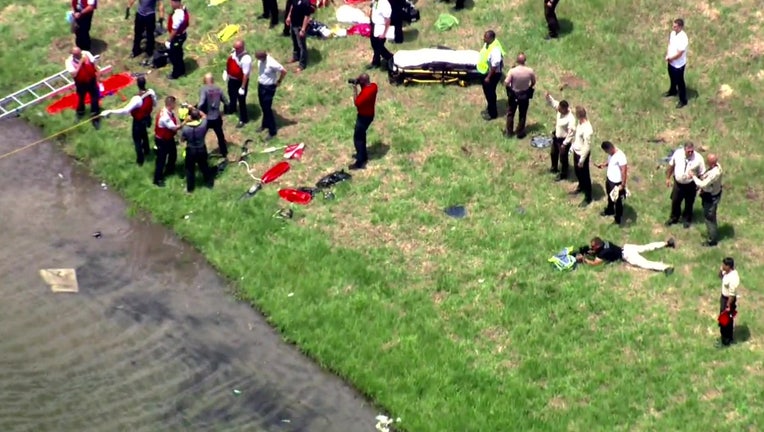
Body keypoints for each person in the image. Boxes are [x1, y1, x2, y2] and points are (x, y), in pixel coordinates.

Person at [101, 76, 157, 166]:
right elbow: (154, 103)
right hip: (146, 118)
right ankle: (146, 151)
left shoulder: (137, 99)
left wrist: (110, 111)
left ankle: (140, 161)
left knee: (137, 140)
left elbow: (125, 110)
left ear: (137, 85)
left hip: (138, 121)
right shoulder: (151, 92)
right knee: (144, 134)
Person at [575, 236, 675, 275]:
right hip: (627, 247)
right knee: (646, 247)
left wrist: (584, 259)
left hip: (627, 255)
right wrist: (591, 251)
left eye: (593, 246)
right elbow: (597, 251)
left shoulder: (603, 253)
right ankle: (667, 243)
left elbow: (595, 263)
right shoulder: (605, 242)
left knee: (645, 264)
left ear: (598, 245)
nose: (592, 248)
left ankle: (666, 267)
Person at [665, 142, 705, 228]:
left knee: (689, 202)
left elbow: (702, 173)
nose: (690, 153)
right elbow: (671, 165)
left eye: (692, 151)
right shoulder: (678, 154)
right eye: (688, 151)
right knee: (675, 201)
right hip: (678, 183)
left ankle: (687, 219)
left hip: (690, 184)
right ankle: (674, 218)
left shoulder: (698, 159)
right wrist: (668, 178)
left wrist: (701, 185)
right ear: (684, 149)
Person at [65, 47, 101, 129]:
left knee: (95, 98)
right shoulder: (69, 62)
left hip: (91, 80)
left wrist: (98, 76)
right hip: (81, 83)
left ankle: (95, 118)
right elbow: (74, 74)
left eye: (80, 54)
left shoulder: (86, 53)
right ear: (74, 55)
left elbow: (94, 64)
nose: (80, 56)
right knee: (81, 98)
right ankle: (80, 112)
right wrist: (80, 63)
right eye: (78, 55)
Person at [180, 108, 215, 193]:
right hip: (201, 149)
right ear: (198, 117)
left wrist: (185, 121)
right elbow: (204, 116)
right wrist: (195, 109)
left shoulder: (186, 128)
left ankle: (190, 189)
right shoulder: (203, 125)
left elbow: (182, 140)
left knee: (189, 170)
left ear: (190, 117)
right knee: (204, 166)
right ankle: (209, 183)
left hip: (191, 150)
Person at [691, 153, 723, 246]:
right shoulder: (716, 167)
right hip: (711, 194)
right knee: (710, 217)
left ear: (711, 163)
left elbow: (703, 184)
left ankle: (712, 240)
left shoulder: (715, 173)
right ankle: (713, 235)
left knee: (709, 218)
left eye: (708, 161)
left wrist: (693, 176)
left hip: (711, 197)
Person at [255, 51, 287, 140]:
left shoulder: (272, 63)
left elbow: (284, 71)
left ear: (263, 57)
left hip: (269, 87)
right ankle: (264, 124)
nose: (258, 61)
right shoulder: (260, 61)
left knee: (267, 109)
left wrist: (279, 81)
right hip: (261, 85)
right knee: (263, 106)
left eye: (259, 59)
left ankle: (272, 131)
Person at [595, 141, 628, 225]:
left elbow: (624, 171)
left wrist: (622, 185)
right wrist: (603, 165)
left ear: (610, 148)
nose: (606, 153)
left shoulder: (621, 156)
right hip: (609, 180)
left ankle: (618, 217)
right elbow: (610, 161)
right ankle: (610, 210)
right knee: (610, 196)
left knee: (617, 201)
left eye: (606, 151)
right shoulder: (611, 154)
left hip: (616, 183)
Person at [153, 96, 183, 187]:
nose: (175, 105)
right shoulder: (165, 116)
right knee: (161, 159)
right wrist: (185, 122)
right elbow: (174, 127)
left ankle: (169, 169)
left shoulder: (168, 111)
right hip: (162, 140)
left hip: (168, 139)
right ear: (171, 104)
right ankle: (157, 179)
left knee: (173, 154)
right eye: (174, 103)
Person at [350, 74, 378, 170]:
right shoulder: (374, 86)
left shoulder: (365, 94)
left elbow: (357, 103)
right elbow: (365, 88)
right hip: (370, 115)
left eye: (359, 80)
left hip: (363, 117)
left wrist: (355, 89)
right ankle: (364, 155)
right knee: (362, 135)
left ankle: (360, 161)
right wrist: (360, 83)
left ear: (362, 82)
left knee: (358, 138)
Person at [504, 53, 536, 138]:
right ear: (525, 61)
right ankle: (520, 132)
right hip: (524, 95)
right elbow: (533, 82)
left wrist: (510, 87)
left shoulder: (512, 71)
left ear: (517, 61)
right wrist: (529, 87)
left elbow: (506, 82)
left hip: (514, 94)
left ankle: (509, 132)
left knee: (511, 113)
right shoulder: (530, 71)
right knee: (522, 113)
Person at [544, 91, 575, 180]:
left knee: (563, 158)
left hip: (564, 141)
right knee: (553, 153)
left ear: (565, 109)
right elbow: (553, 102)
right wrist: (548, 96)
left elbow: (571, 134)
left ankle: (563, 174)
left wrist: (564, 144)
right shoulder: (559, 109)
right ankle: (554, 168)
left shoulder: (570, 119)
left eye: (560, 109)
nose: (558, 109)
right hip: (556, 138)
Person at [199, 73, 229, 158]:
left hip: (206, 118)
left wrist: (199, 112)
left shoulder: (204, 89)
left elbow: (201, 102)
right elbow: (226, 102)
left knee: (201, 137)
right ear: (213, 80)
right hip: (216, 117)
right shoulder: (218, 89)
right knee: (220, 135)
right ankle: (224, 152)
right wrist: (224, 112)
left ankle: (203, 154)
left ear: (205, 80)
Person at [477, 31, 505, 122]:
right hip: (486, 71)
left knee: (490, 93)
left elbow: (494, 66)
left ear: (491, 38)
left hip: (492, 74)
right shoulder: (489, 44)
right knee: (488, 92)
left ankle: (493, 113)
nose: (484, 39)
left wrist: (488, 77)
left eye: (486, 37)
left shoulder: (495, 50)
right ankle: (490, 108)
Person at [223, 40, 252, 128]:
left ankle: (243, 119)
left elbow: (245, 74)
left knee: (241, 100)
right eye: (234, 48)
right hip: (232, 80)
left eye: (237, 48)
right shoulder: (234, 52)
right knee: (231, 95)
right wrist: (226, 72)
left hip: (239, 82)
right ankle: (232, 108)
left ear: (242, 47)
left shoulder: (246, 59)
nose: (235, 49)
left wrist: (242, 87)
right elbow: (230, 62)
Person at [570, 106, 593, 207]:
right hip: (576, 151)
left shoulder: (587, 129)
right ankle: (581, 186)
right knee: (577, 172)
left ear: (579, 115)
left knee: (585, 175)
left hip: (582, 155)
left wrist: (581, 160)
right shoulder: (579, 123)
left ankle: (588, 197)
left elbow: (587, 147)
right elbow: (578, 139)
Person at [664, 18, 689, 108]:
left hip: (679, 64)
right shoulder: (673, 33)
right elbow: (670, 44)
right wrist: (668, 55)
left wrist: (671, 58)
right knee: (672, 78)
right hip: (671, 62)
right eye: (673, 26)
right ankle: (672, 91)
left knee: (680, 82)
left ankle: (683, 100)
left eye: (675, 26)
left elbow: (680, 53)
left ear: (680, 27)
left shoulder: (683, 38)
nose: (673, 27)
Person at [717, 257, 740, 347]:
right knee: (724, 319)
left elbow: (732, 294)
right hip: (723, 298)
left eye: (724, 265)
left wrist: (728, 306)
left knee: (726, 320)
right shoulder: (726, 272)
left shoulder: (733, 278)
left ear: (729, 266)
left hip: (729, 300)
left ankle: (726, 340)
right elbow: (720, 276)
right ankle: (725, 337)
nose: (722, 266)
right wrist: (720, 269)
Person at [165, 0, 190, 80]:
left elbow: (174, 30)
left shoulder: (177, 15)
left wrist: (169, 40)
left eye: (172, 2)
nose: (171, 4)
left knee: (174, 56)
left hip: (177, 37)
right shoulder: (183, 9)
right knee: (179, 53)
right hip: (182, 35)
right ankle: (182, 69)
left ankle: (175, 74)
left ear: (177, 2)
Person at [285, 0, 312, 72]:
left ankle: (302, 65)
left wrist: (303, 29)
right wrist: (288, 16)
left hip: (300, 26)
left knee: (302, 46)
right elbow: (292, 6)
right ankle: (296, 57)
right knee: (294, 41)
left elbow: (307, 16)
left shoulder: (306, 2)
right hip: (293, 23)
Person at [368, 0, 393, 69]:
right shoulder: (376, 1)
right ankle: (376, 62)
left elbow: (388, 20)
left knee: (379, 47)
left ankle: (391, 59)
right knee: (374, 44)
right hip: (374, 26)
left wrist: (384, 33)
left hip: (381, 28)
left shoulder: (384, 4)